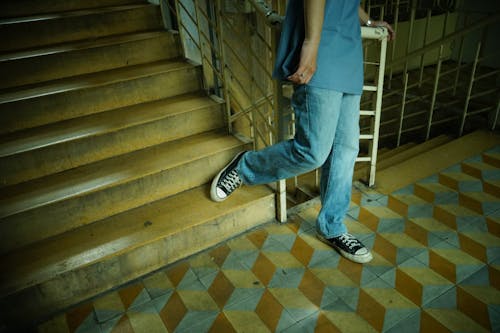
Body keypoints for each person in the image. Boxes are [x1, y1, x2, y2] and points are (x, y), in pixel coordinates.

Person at [210, 0, 395, 264]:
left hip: (348, 50)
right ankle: (244, 167)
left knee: (345, 149)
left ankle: (332, 226)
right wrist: (311, 44)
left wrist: (366, 22)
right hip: (321, 46)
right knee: (313, 151)